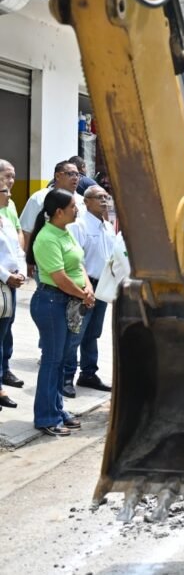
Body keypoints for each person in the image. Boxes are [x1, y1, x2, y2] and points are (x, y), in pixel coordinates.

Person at [27, 189, 93, 436]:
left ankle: (57, 409)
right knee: (52, 361)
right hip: (51, 302)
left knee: (61, 360)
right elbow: (60, 278)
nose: (77, 210)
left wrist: (88, 287)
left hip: (68, 301)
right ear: (59, 212)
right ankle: (46, 417)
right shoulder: (47, 238)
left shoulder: (65, 232)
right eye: (73, 206)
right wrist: (83, 294)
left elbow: (78, 264)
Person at [64, 185, 114, 395]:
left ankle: (88, 373)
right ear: (86, 201)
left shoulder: (108, 226)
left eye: (106, 197)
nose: (104, 201)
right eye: (99, 197)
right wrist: (84, 287)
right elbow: (75, 259)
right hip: (84, 286)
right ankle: (66, 376)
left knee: (93, 333)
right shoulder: (79, 225)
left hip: (102, 286)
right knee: (76, 332)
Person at [0, 179, 25, 410]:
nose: (9, 195)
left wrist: (21, 273)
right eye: (4, 191)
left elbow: (18, 251)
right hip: (4, 282)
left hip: (9, 287)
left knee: (3, 335)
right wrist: (7, 276)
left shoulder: (6, 220)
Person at [20, 161, 85, 234]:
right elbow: (26, 230)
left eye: (77, 175)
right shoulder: (39, 198)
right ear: (57, 176)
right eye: (71, 174)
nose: (75, 178)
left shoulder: (82, 201)